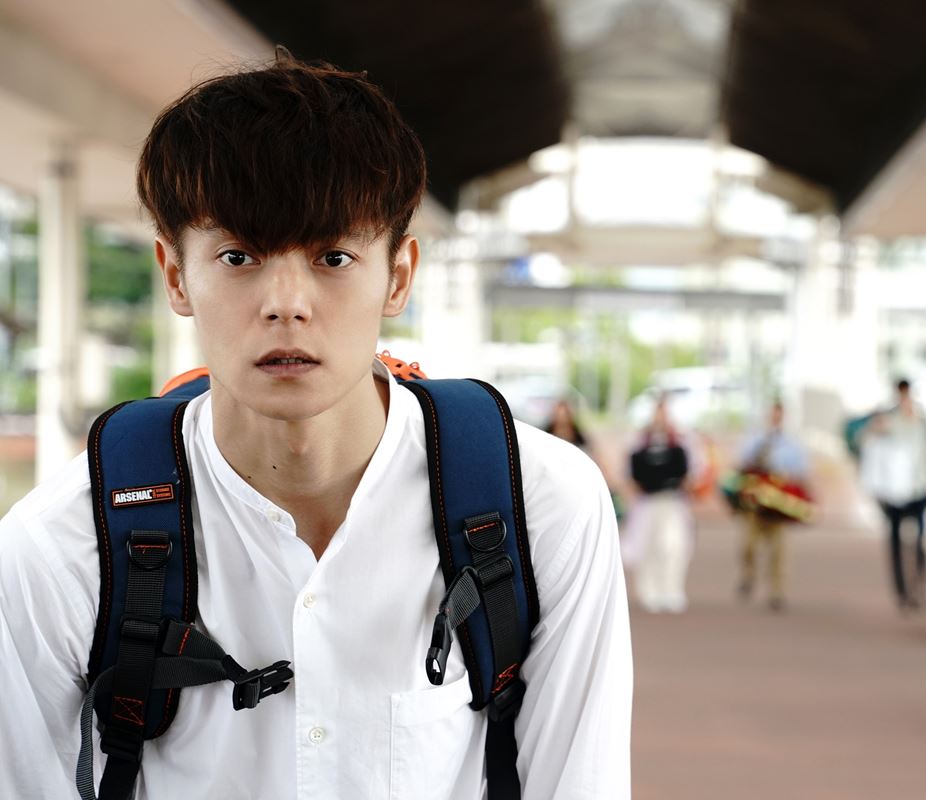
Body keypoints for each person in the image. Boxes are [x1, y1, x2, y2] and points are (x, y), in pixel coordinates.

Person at [0, 55, 631, 798]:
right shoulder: (65, 542)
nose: (286, 303)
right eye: (238, 256)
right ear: (175, 275)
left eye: (334, 256)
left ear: (398, 276)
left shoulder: (539, 503)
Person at [859, 379, 926, 612]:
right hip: (894, 492)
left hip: (920, 488)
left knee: (920, 541)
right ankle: (902, 591)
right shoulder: (888, 420)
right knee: (895, 540)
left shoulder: (923, 421)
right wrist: (874, 428)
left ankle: (919, 586)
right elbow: (866, 442)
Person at [735, 401, 810, 612]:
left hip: (779, 504)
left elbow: (802, 473)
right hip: (757, 502)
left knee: (779, 551)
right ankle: (748, 575)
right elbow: (741, 466)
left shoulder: (792, 445)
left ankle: (777, 591)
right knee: (748, 546)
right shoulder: (754, 440)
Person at [622, 397, 693, 613]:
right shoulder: (640, 442)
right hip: (648, 502)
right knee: (647, 546)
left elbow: (688, 471)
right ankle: (649, 590)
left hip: (672, 501)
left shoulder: (679, 441)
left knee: (673, 546)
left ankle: (672, 590)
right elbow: (631, 472)